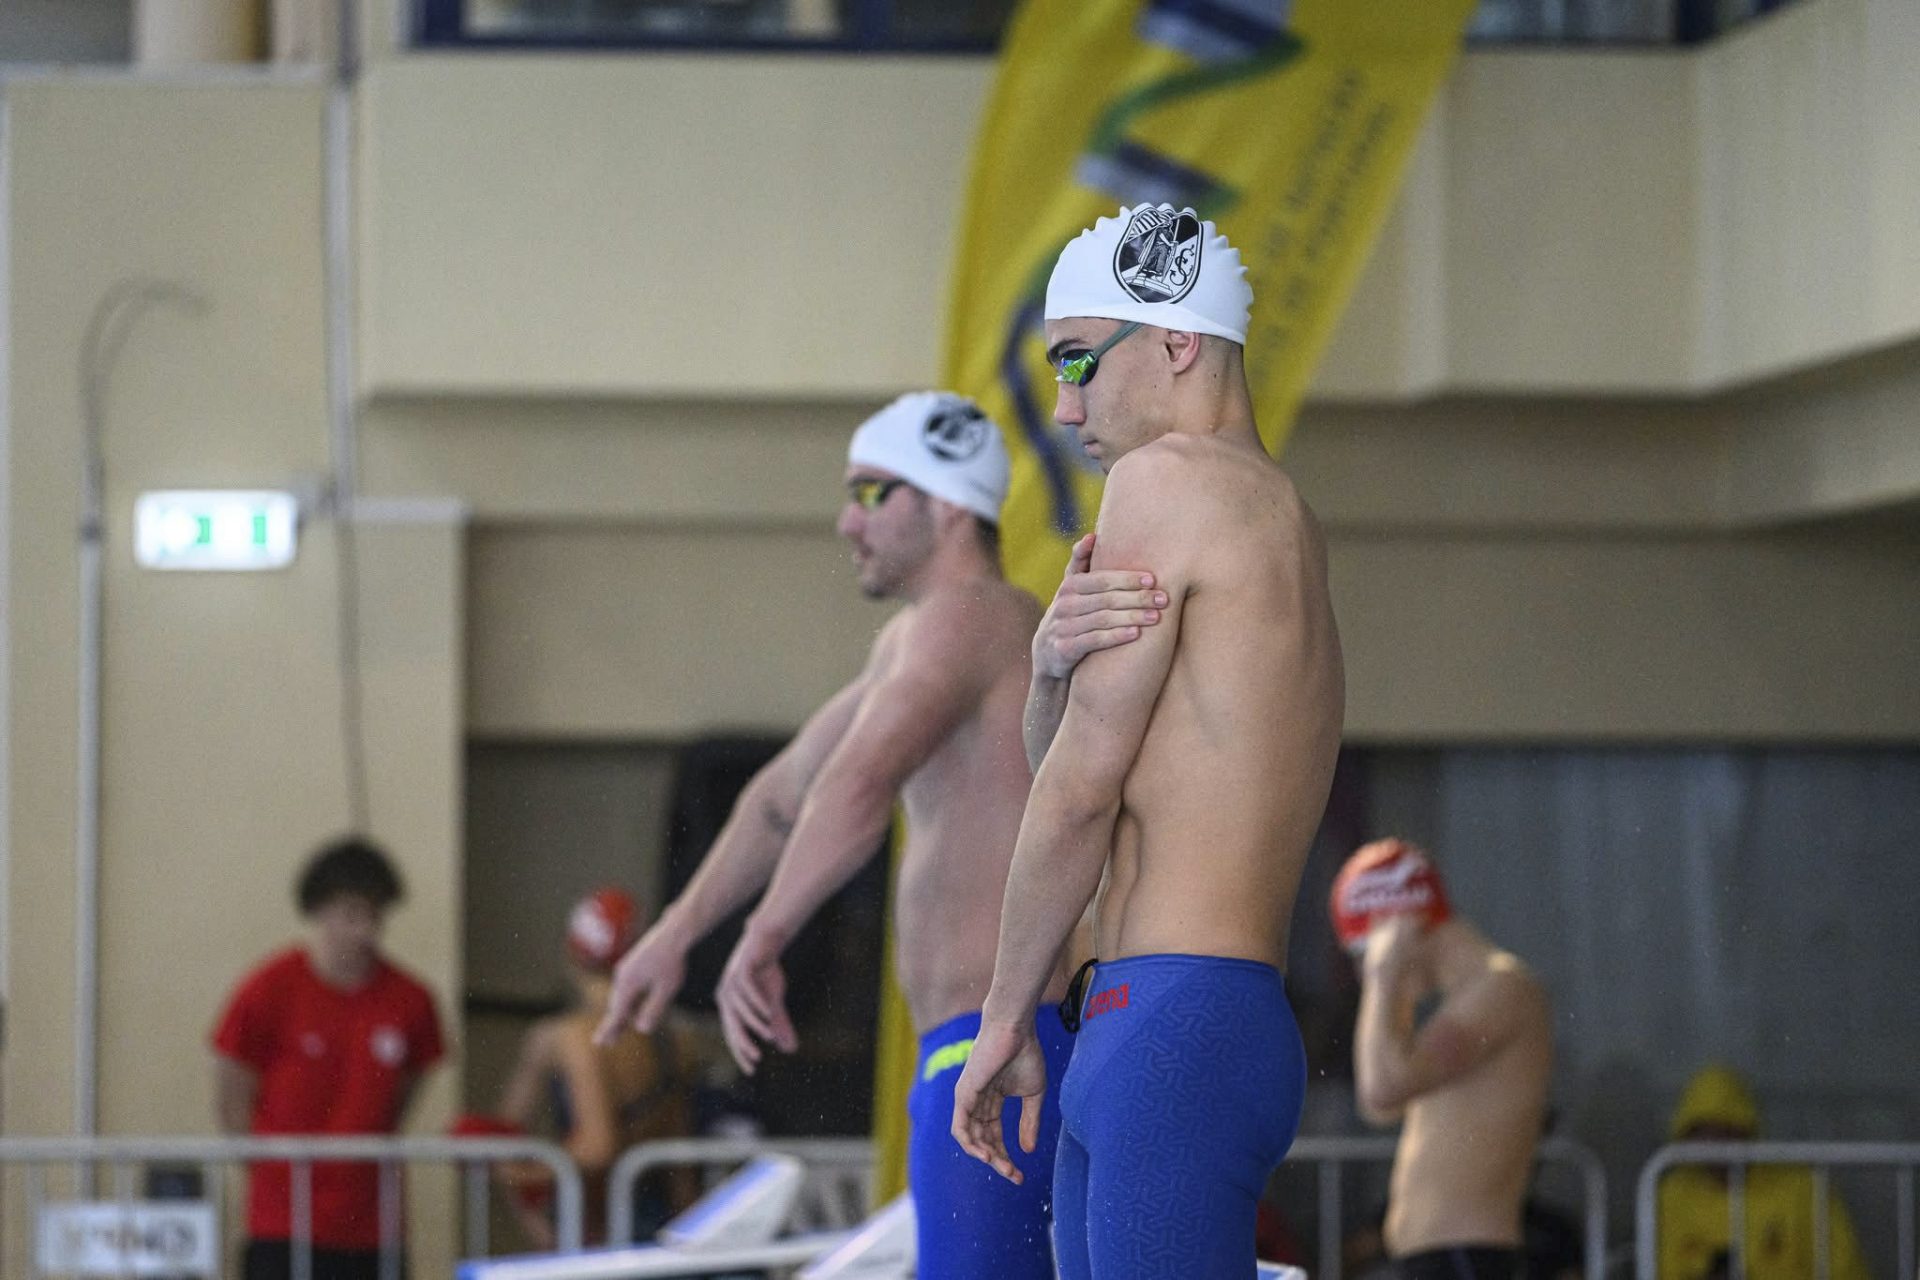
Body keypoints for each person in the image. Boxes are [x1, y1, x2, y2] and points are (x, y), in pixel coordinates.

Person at [594, 391, 1164, 1278]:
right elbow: (785, 794)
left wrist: (765, 935)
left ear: (946, 508)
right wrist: (676, 933)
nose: (846, 522)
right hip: (987, 1041)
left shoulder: (969, 616)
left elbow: (859, 782)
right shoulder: (922, 638)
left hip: (1004, 1042)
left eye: (870, 493)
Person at [951, 202, 1345, 1280]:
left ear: (1175, 342)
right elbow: (1085, 773)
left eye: (1078, 360)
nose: (1064, 405)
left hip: (1172, 1026)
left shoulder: (1168, 480)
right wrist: (1049, 670)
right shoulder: (1280, 514)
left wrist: (1002, 1016)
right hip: (1185, 1018)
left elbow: (1077, 796)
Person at [211, 837, 446, 1280]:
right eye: (351, 915)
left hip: (373, 1225)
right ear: (318, 910)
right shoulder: (269, 990)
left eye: (375, 916)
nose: (365, 931)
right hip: (283, 1221)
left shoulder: (411, 1000)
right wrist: (274, 1171)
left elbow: (400, 1098)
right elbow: (231, 1098)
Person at [1331, 838, 1553, 1280]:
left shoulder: (1502, 990)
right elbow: (1378, 1106)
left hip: (1466, 1260)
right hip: (1447, 1260)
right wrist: (1393, 992)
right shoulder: (1470, 1001)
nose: (1362, 971)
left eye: (1362, 952)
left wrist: (1384, 975)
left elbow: (1382, 1088)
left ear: (1401, 927)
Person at [480, 887, 700, 1247]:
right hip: (654, 1214)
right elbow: (680, 1163)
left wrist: (525, 1179)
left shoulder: (570, 1036)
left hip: (587, 1219)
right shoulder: (673, 1038)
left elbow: (596, 1145)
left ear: (572, 954)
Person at [1657, 1064, 1870, 1280]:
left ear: (1747, 1129)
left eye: (1725, 1131)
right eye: (1702, 1133)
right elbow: (1661, 1269)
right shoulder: (1674, 1192)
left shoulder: (1802, 1189)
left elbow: (1845, 1271)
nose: (1714, 1144)